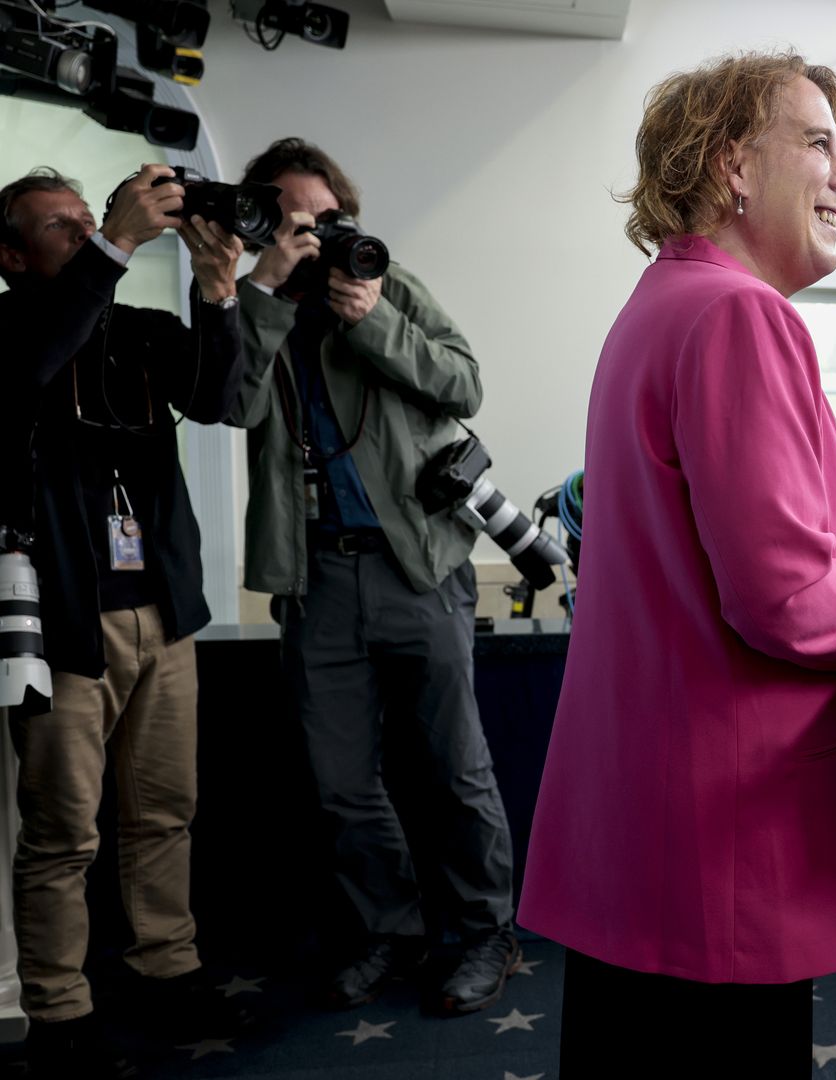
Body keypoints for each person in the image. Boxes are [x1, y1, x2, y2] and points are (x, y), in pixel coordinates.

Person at [517, 52, 836, 1077]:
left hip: (655, 830)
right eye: (819, 143)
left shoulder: (664, 303)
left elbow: (724, 560)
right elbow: (784, 604)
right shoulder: (739, 314)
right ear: (731, 165)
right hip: (722, 839)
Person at [225, 138, 518, 1015]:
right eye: (287, 218)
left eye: (321, 216)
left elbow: (464, 384)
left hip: (419, 566)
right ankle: (386, 934)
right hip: (317, 575)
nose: (309, 231)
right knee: (341, 782)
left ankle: (481, 934)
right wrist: (269, 294)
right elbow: (231, 403)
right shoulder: (255, 304)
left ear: (346, 216)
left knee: (453, 768)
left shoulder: (390, 282)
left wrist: (374, 318)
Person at [0, 164, 248, 1078]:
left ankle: (166, 971)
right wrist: (117, 242)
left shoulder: (136, 331)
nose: (83, 231)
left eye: (86, 221)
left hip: (162, 612)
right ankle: (59, 1012)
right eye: (60, 226)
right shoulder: (14, 325)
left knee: (164, 813)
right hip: (63, 622)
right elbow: (32, 364)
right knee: (64, 828)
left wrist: (219, 292)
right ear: (12, 254)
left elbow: (218, 400)